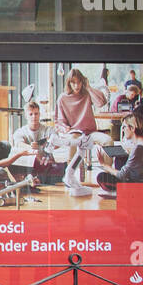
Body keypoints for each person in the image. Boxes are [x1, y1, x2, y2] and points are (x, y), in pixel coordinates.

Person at [56, 68, 109, 197]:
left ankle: (107, 180)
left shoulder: (87, 94)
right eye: (73, 82)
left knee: (108, 141)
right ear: (69, 83)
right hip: (75, 133)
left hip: (90, 133)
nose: (76, 86)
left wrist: (89, 87)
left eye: (79, 82)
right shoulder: (62, 98)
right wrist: (65, 128)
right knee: (73, 140)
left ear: (83, 82)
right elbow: (59, 121)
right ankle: (70, 179)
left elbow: (102, 102)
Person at [97, 111, 143, 194]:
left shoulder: (138, 149)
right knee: (122, 158)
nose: (123, 130)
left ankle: (124, 192)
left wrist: (104, 165)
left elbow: (121, 175)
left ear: (132, 128)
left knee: (101, 177)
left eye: (124, 127)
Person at [10, 101, 64, 184]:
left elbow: (57, 143)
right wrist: (31, 148)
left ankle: (35, 180)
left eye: (36, 114)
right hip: (30, 165)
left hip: (46, 165)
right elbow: (19, 144)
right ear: (26, 116)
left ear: (39, 114)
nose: (34, 117)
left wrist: (47, 143)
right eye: (31, 114)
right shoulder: (20, 132)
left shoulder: (48, 130)